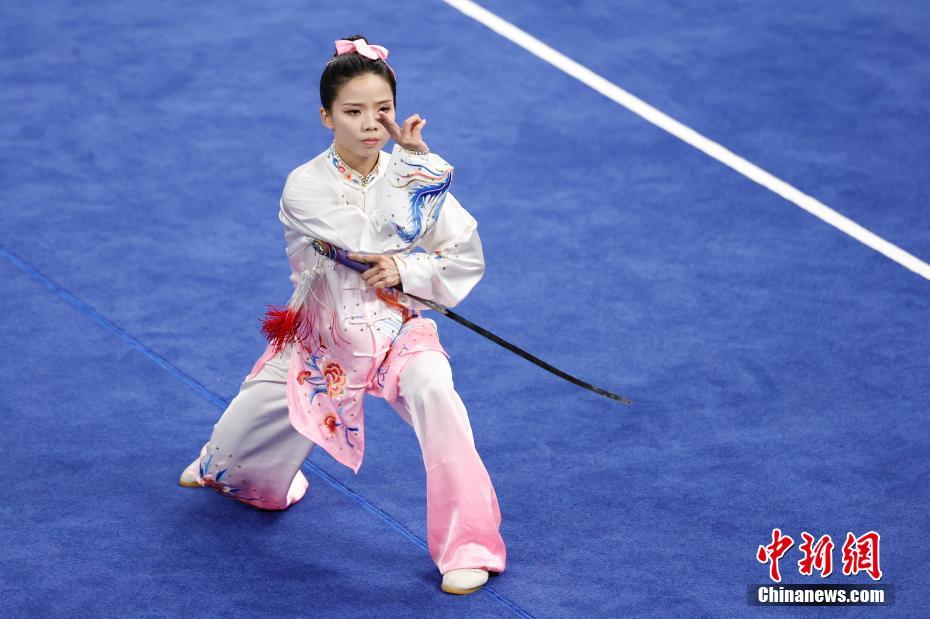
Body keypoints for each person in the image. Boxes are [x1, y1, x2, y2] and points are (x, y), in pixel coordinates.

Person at [178, 34, 506, 595]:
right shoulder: (305, 186)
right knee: (235, 474)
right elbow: (366, 238)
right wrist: (421, 176)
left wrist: (410, 272)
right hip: (319, 342)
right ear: (326, 116)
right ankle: (224, 461)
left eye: (383, 110)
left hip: (396, 330)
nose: (370, 123)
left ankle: (469, 545)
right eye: (353, 111)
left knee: (438, 394)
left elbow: (463, 251)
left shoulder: (410, 175)